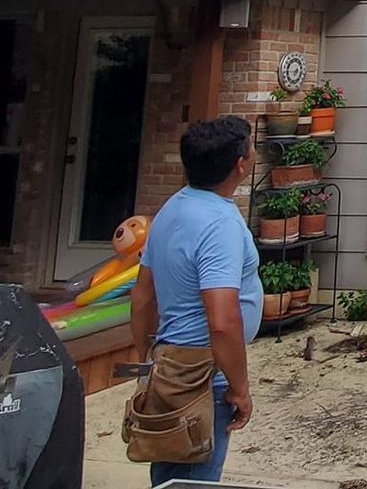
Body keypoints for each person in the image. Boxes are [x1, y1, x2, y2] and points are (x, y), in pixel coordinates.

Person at [130, 116, 260, 484]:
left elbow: (141, 299)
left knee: (169, 470)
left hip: (169, 364)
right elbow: (222, 319)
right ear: (240, 164)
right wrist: (239, 387)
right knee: (193, 479)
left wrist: (148, 361)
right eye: (251, 148)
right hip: (204, 373)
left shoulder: (171, 209)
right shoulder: (221, 224)